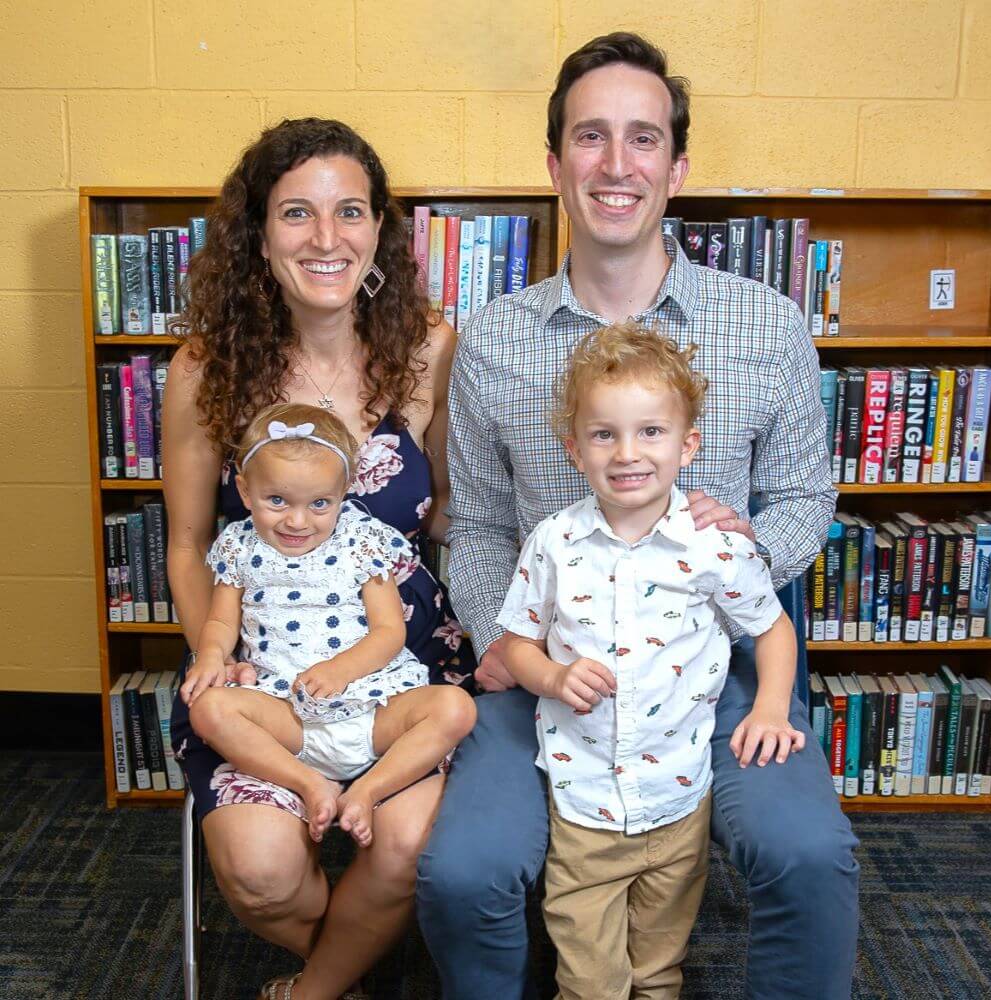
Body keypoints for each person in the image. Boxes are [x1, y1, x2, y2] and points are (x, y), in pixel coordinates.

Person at [417, 31, 859, 1000]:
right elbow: (481, 524)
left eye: (642, 139)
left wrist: (739, 552)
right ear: (553, 163)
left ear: (676, 165)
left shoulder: (764, 323)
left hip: (717, 660)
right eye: (590, 137)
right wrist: (507, 642)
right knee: (460, 873)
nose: (616, 165)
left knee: (810, 856)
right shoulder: (493, 340)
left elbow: (801, 496)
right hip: (548, 666)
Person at [164, 118, 475, 1000]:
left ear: (380, 229)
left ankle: (316, 989)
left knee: (411, 848)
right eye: (297, 213)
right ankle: (359, 963)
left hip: (398, 669)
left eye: (351, 212)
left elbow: (448, 512)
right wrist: (221, 664)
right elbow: (189, 544)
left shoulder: (428, 349)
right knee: (261, 873)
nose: (327, 238)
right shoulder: (204, 370)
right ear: (258, 236)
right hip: (261, 676)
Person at [498, 321, 804, 999]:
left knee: (660, 970)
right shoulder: (555, 541)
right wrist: (551, 675)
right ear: (576, 450)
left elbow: (773, 628)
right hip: (585, 804)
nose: (627, 452)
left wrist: (772, 707)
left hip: (678, 797)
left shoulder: (714, 545)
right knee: (589, 978)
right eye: (604, 434)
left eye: (651, 432)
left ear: (687, 444)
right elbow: (515, 643)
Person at [180, 402, 475, 847]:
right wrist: (210, 656)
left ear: (344, 492)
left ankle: (366, 793)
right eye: (276, 500)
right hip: (285, 713)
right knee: (209, 710)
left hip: (371, 708)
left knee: (456, 708)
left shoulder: (362, 541)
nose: (297, 521)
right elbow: (221, 619)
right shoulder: (238, 546)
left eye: (319, 503)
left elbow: (389, 632)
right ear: (244, 491)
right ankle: (307, 783)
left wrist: (341, 671)